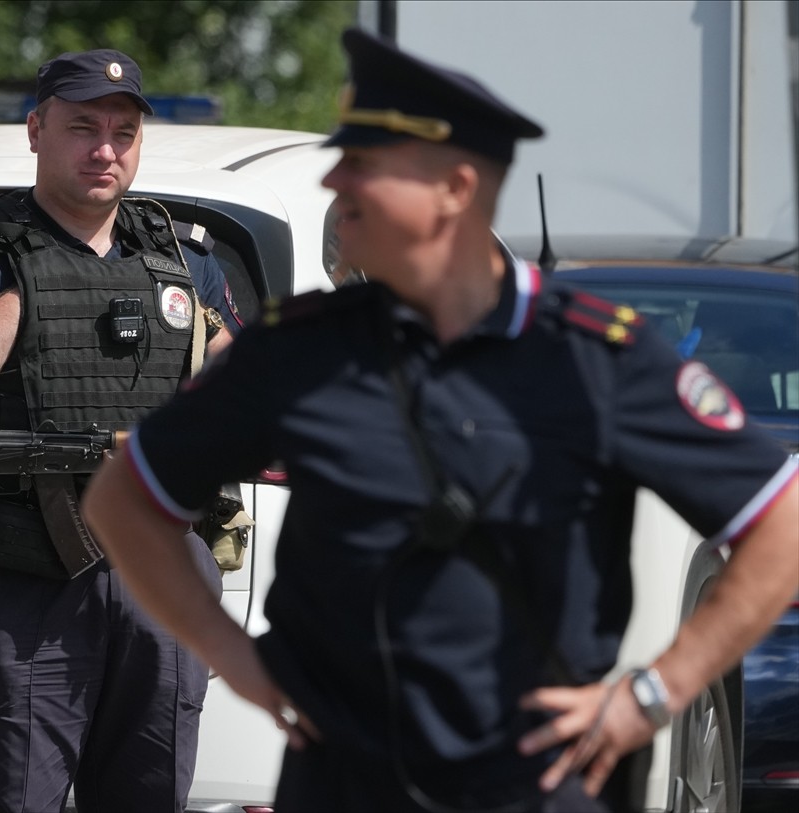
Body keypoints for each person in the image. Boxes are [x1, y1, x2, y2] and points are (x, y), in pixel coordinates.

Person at [81, 28, 799, 813]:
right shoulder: (297, 350)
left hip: (533, 786)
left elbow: (779, 520)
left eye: (365, 164)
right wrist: (231, 652)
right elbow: (126, 499)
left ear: (455, 188)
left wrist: (655, 693)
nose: (336, 179)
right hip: (344, 783)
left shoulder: (598, 358)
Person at [0, 48, 237, 813]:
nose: (105, 148)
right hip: (29, 582)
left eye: (123, 131)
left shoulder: (180, 257)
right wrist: (30, 301)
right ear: (36, 131)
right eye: (83, 127)